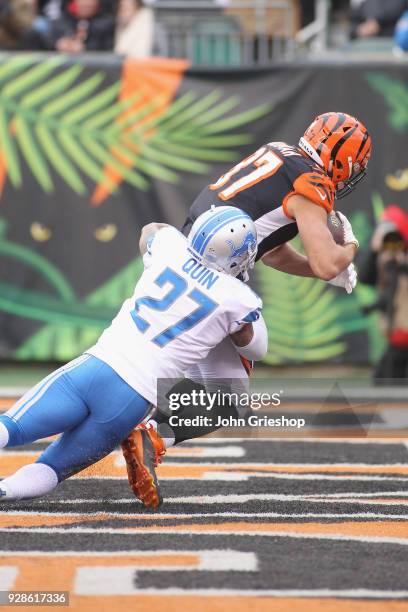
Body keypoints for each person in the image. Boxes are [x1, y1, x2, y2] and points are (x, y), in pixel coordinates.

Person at [124, 111, 372, 508]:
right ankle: (146, 434)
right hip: (216, 278)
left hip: (182, 258)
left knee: (176, 373)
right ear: (341, 160)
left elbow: (272, 253)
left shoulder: (280, 154)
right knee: (229, 396)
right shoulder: (312, 181)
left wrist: (325, 271)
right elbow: (328, 261)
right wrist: (350, 247)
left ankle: (127, 427)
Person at [0, 208, 268, 506]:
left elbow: (150, 231)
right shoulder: (238, 299)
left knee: (10, 427)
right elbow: (254, 347)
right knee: (52, 468)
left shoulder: (170, 247)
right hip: (132, 402)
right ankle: (5, 491)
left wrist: (158, 261)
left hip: (95, 370)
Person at [359, 205, 408, 383]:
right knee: (381, 380)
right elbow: (365, 277)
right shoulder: (385, 260)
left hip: (403, 337)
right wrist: (374, 250)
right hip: (397, 338)